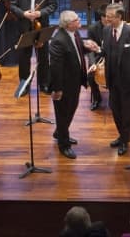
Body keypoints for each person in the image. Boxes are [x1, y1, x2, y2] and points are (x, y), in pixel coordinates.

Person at [49, 10, 100, 159]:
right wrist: (57, 89)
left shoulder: (75, 33)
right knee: (63, 113)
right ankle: (64, 145)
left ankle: (60, 132)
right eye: (77, 20)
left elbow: (76, 50)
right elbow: (56, 68)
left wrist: (87, 48)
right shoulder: (58, 40)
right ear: (68, 24)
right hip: (64, 85)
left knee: (71, 109)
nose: (80, 22)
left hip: (75, 81)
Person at [98, 2, 130, 156]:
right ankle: (122, 135)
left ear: (119, 17)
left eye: (110, 17)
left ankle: (125, 140)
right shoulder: (106, 31)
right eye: (106, 16)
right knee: (115, 109)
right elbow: (104, 51)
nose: (107, 19)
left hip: (128, 79)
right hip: (112, 78)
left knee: (127, 111)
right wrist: (96, 60)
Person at [10, 0, 57, 92]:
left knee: (43, 55)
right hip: (24, 26)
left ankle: (44, 84)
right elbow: (13, 6)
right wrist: (24, 14)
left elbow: (53, 6)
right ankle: (24, 85)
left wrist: (39, 13)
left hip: (41, 25)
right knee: (24, 58)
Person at [85, 15, 109, 111]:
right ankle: (97, 99)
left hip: (112, 56)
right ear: (101, 18)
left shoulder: (115, 27)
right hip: (98, 56)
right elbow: (90, 49)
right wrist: (93, 63)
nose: (108, 20)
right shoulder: (93, 28)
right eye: (106, 17)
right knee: (90, 75)